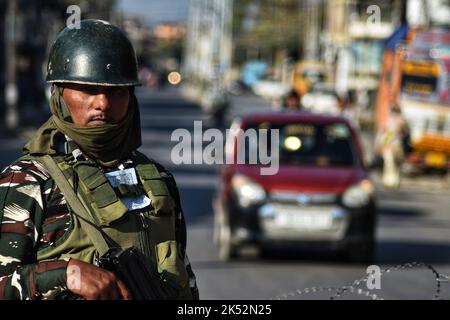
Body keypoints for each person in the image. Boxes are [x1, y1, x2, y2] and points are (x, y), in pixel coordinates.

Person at [0, 19, 198, 300]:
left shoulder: (158, 180)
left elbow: (186, 281)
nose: (102, 104)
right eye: (88, 90)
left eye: (116, 92)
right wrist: (64, 274)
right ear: (60, 94)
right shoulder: (27, 181)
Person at [374, 103, 410, 188]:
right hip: (390, 145)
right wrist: (381, 144)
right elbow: (383, 133)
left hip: (396, 145)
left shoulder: (401, 120)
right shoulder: (390, 120)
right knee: (389, 163)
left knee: (394, 164)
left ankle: (393, 181)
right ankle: (389, 181)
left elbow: (404, 133)